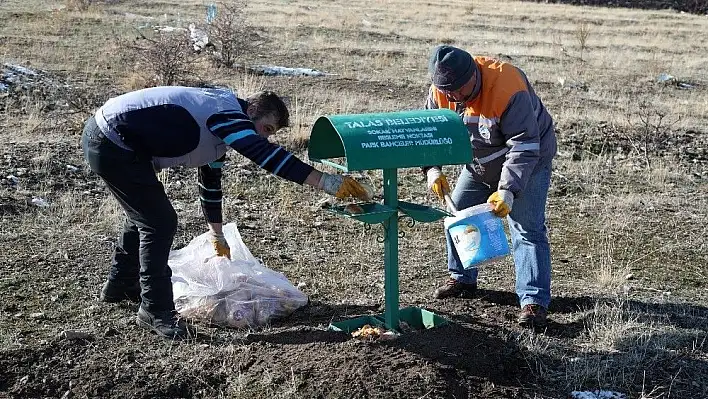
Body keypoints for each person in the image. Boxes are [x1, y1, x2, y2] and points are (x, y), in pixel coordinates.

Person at [82, 86, 370, 340]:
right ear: (253, 109)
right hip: (112, 140)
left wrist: (216, 233)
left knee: (144, 216)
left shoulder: (219, 127)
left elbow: (210, 184)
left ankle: (119, 285)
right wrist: (325, 181)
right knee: (159, 222)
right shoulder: (226, 113)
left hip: (113, 140)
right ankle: (156, 311)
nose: (264, 137)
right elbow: (263, 155)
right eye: (267, 129)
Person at [424, 45, 557, 328]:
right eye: (448, 91)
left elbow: (524, 146)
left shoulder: (508, 86)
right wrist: (432, 169)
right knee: (457, 210)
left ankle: (533, 302)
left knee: (526, 227)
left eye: (460, 89)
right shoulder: (441, 91)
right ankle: (462, 278)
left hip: (529, 160)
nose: (455, 96)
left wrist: (508, 189)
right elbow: (431, 132)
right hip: (480, 159)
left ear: (474, 73)